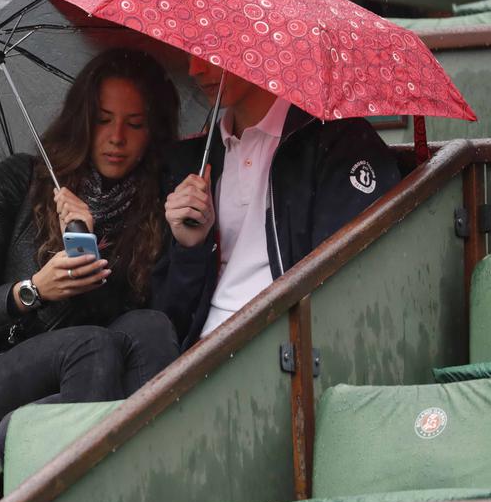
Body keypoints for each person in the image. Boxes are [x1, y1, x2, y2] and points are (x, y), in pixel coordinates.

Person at [0, 49, 182, 426]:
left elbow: (123, 319)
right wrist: (35, 289)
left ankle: (150, 464)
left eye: (135, 124)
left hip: (84, 365)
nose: (117, 138)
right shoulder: (19, 180)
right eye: (103, 120)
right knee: (91, 344)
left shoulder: (151, 205)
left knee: (149, 326)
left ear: (152, 133)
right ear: (82, 122)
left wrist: (88, 247)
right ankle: (78, 481)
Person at [154, 56, 402, 349]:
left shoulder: (338, 142)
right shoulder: (196, 158)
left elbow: (351, 283)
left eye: (211, 53)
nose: (195, 69)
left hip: (286, 349)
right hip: (196, 357)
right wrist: (189, 249)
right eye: (190, 52)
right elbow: (168, 320)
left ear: (258, 46)